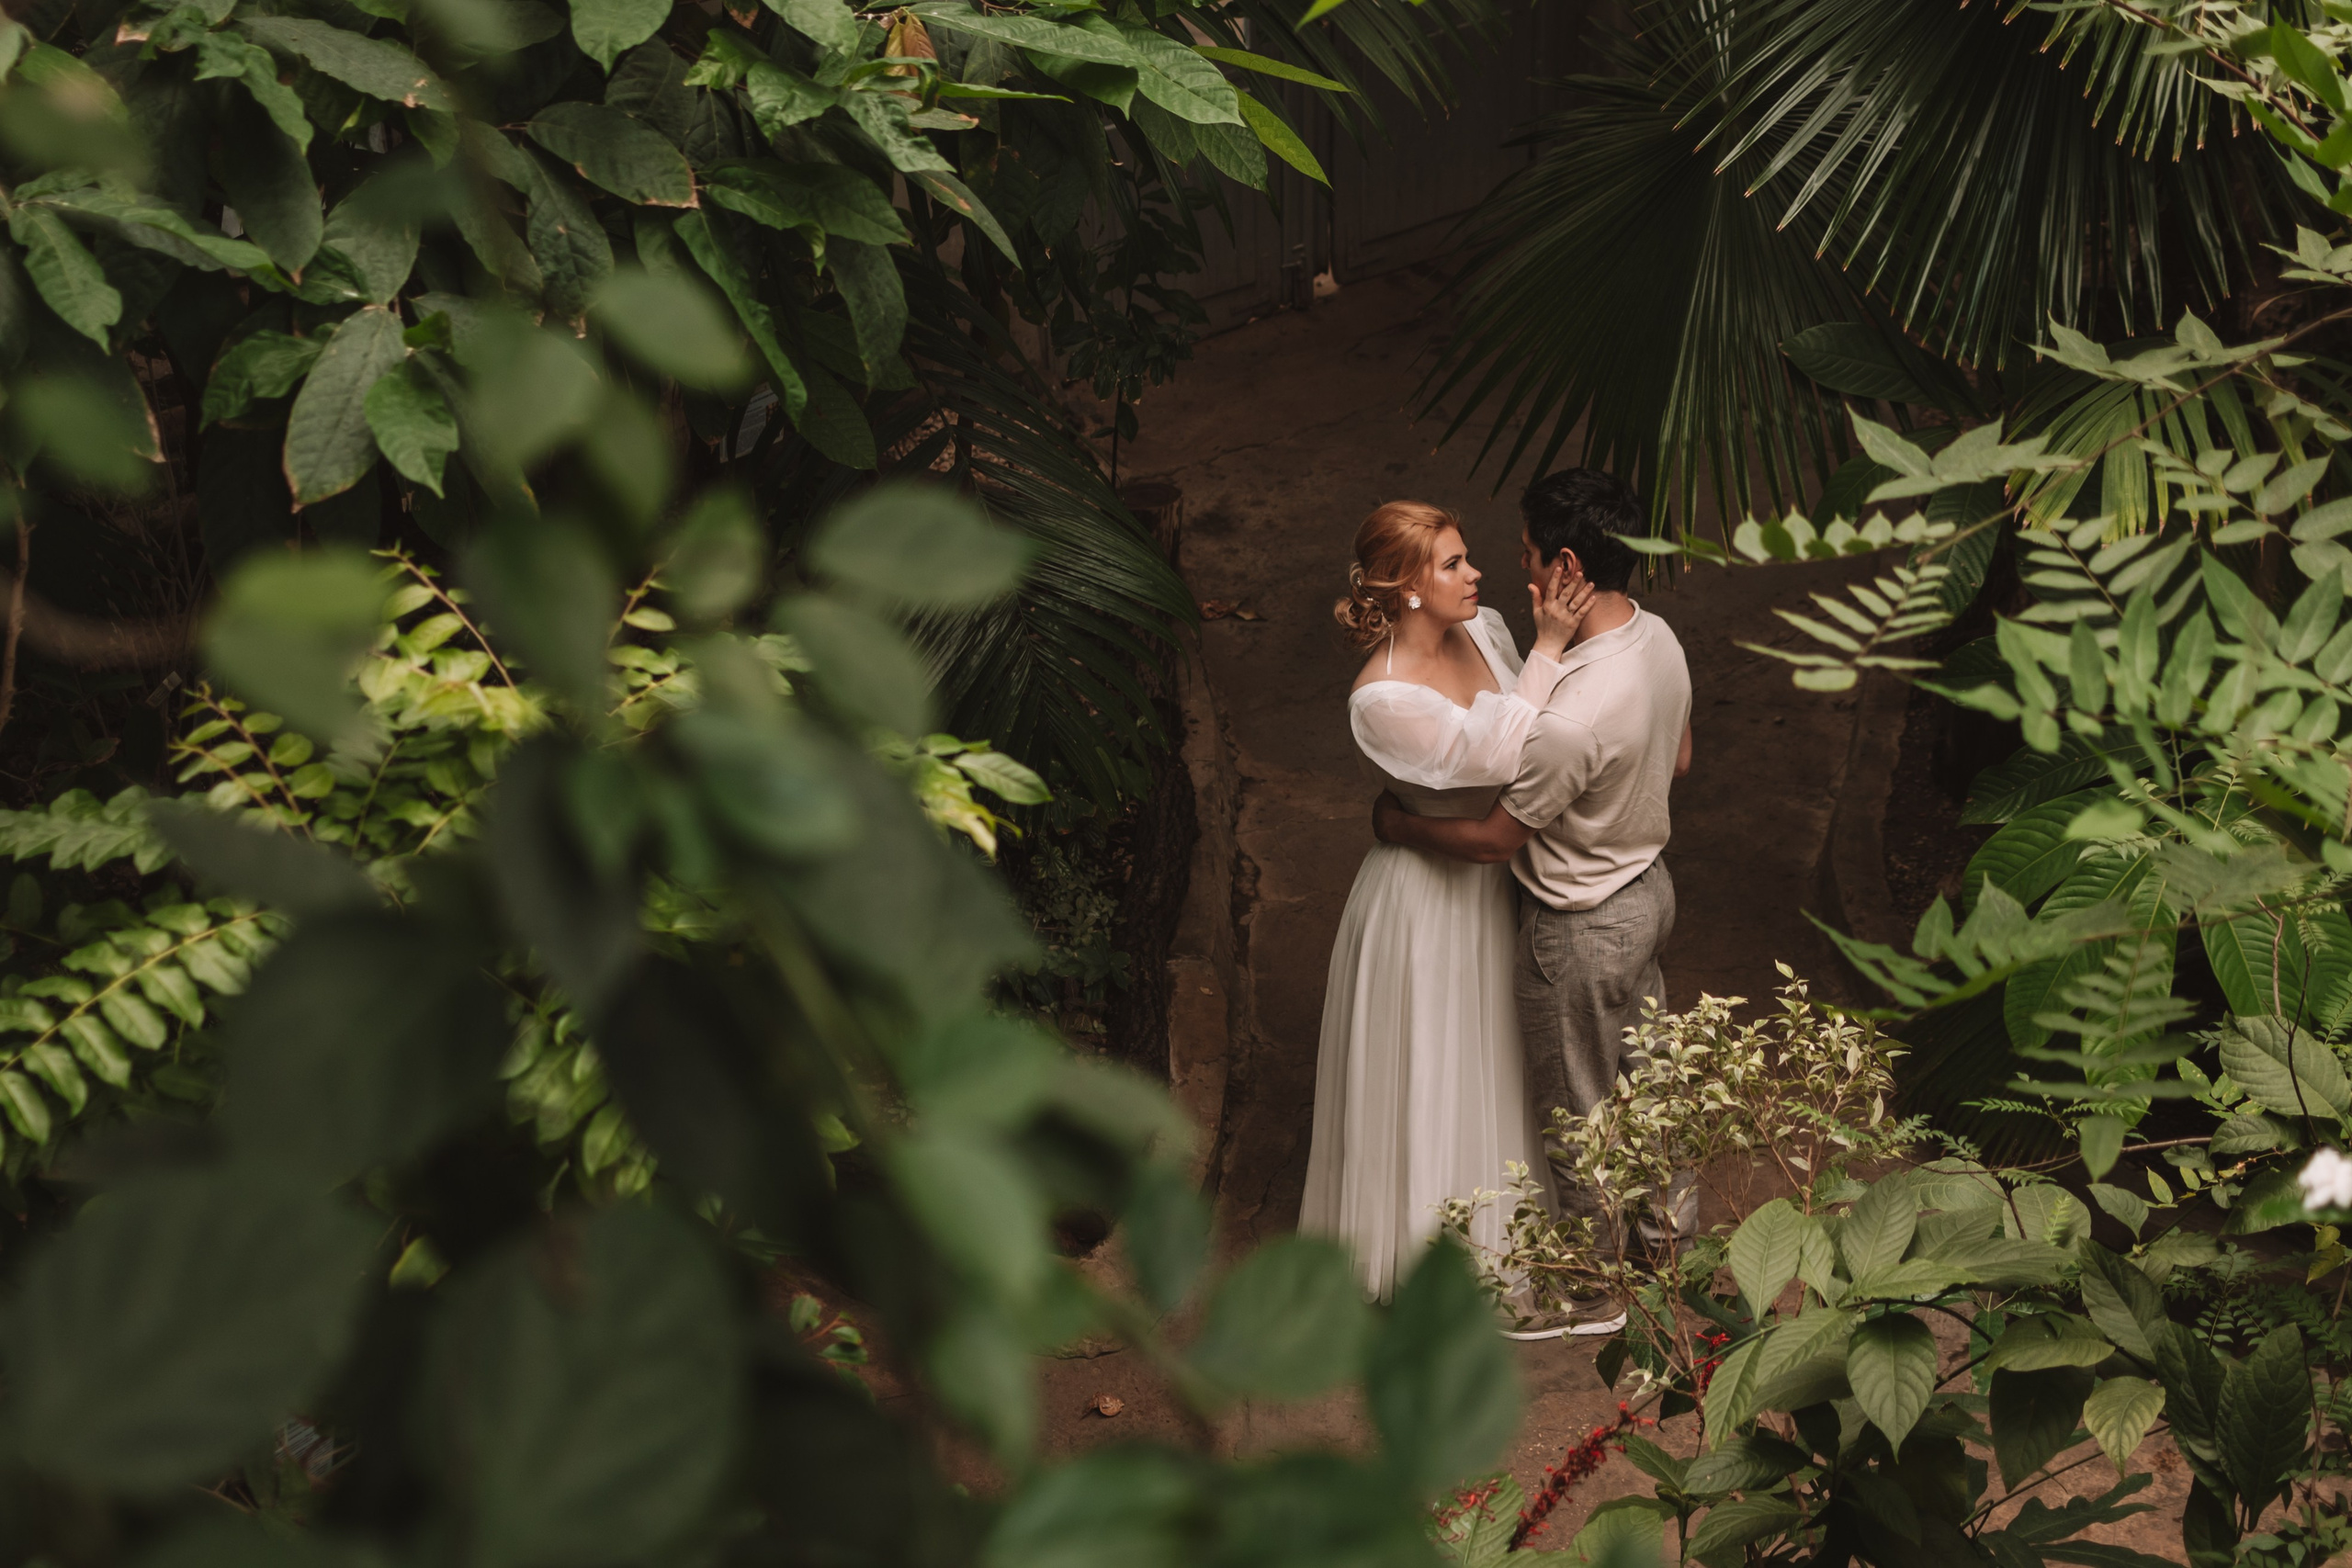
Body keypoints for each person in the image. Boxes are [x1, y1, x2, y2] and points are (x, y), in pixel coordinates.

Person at [1373, 469, 1694, 1331]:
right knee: (1648, 1085)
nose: (1508, 574)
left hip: (1580, 926)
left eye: (1520, 556)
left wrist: (1402, 827)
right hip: (1648, 891)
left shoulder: (1570, 717)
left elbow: (1491, 841)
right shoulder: (1657, 638)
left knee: (1579, 1109)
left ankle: (1588, 1292)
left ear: (1563, 566)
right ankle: (1671, 1252)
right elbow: (1681, 758)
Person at [1297, 500, 1593, 1303]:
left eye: (1469, 558)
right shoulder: (1381, 701)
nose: (1478, 574)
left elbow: (1539, 726)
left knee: (1506, 1058)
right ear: (1407, 586)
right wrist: (1554, 645)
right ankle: (1432, 1266)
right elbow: (1498, 748)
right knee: (1435, 1064)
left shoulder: (1490, 628)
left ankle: (1520, 1240)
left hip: (1497, 881)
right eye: (1454, 564)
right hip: (1426, 904)